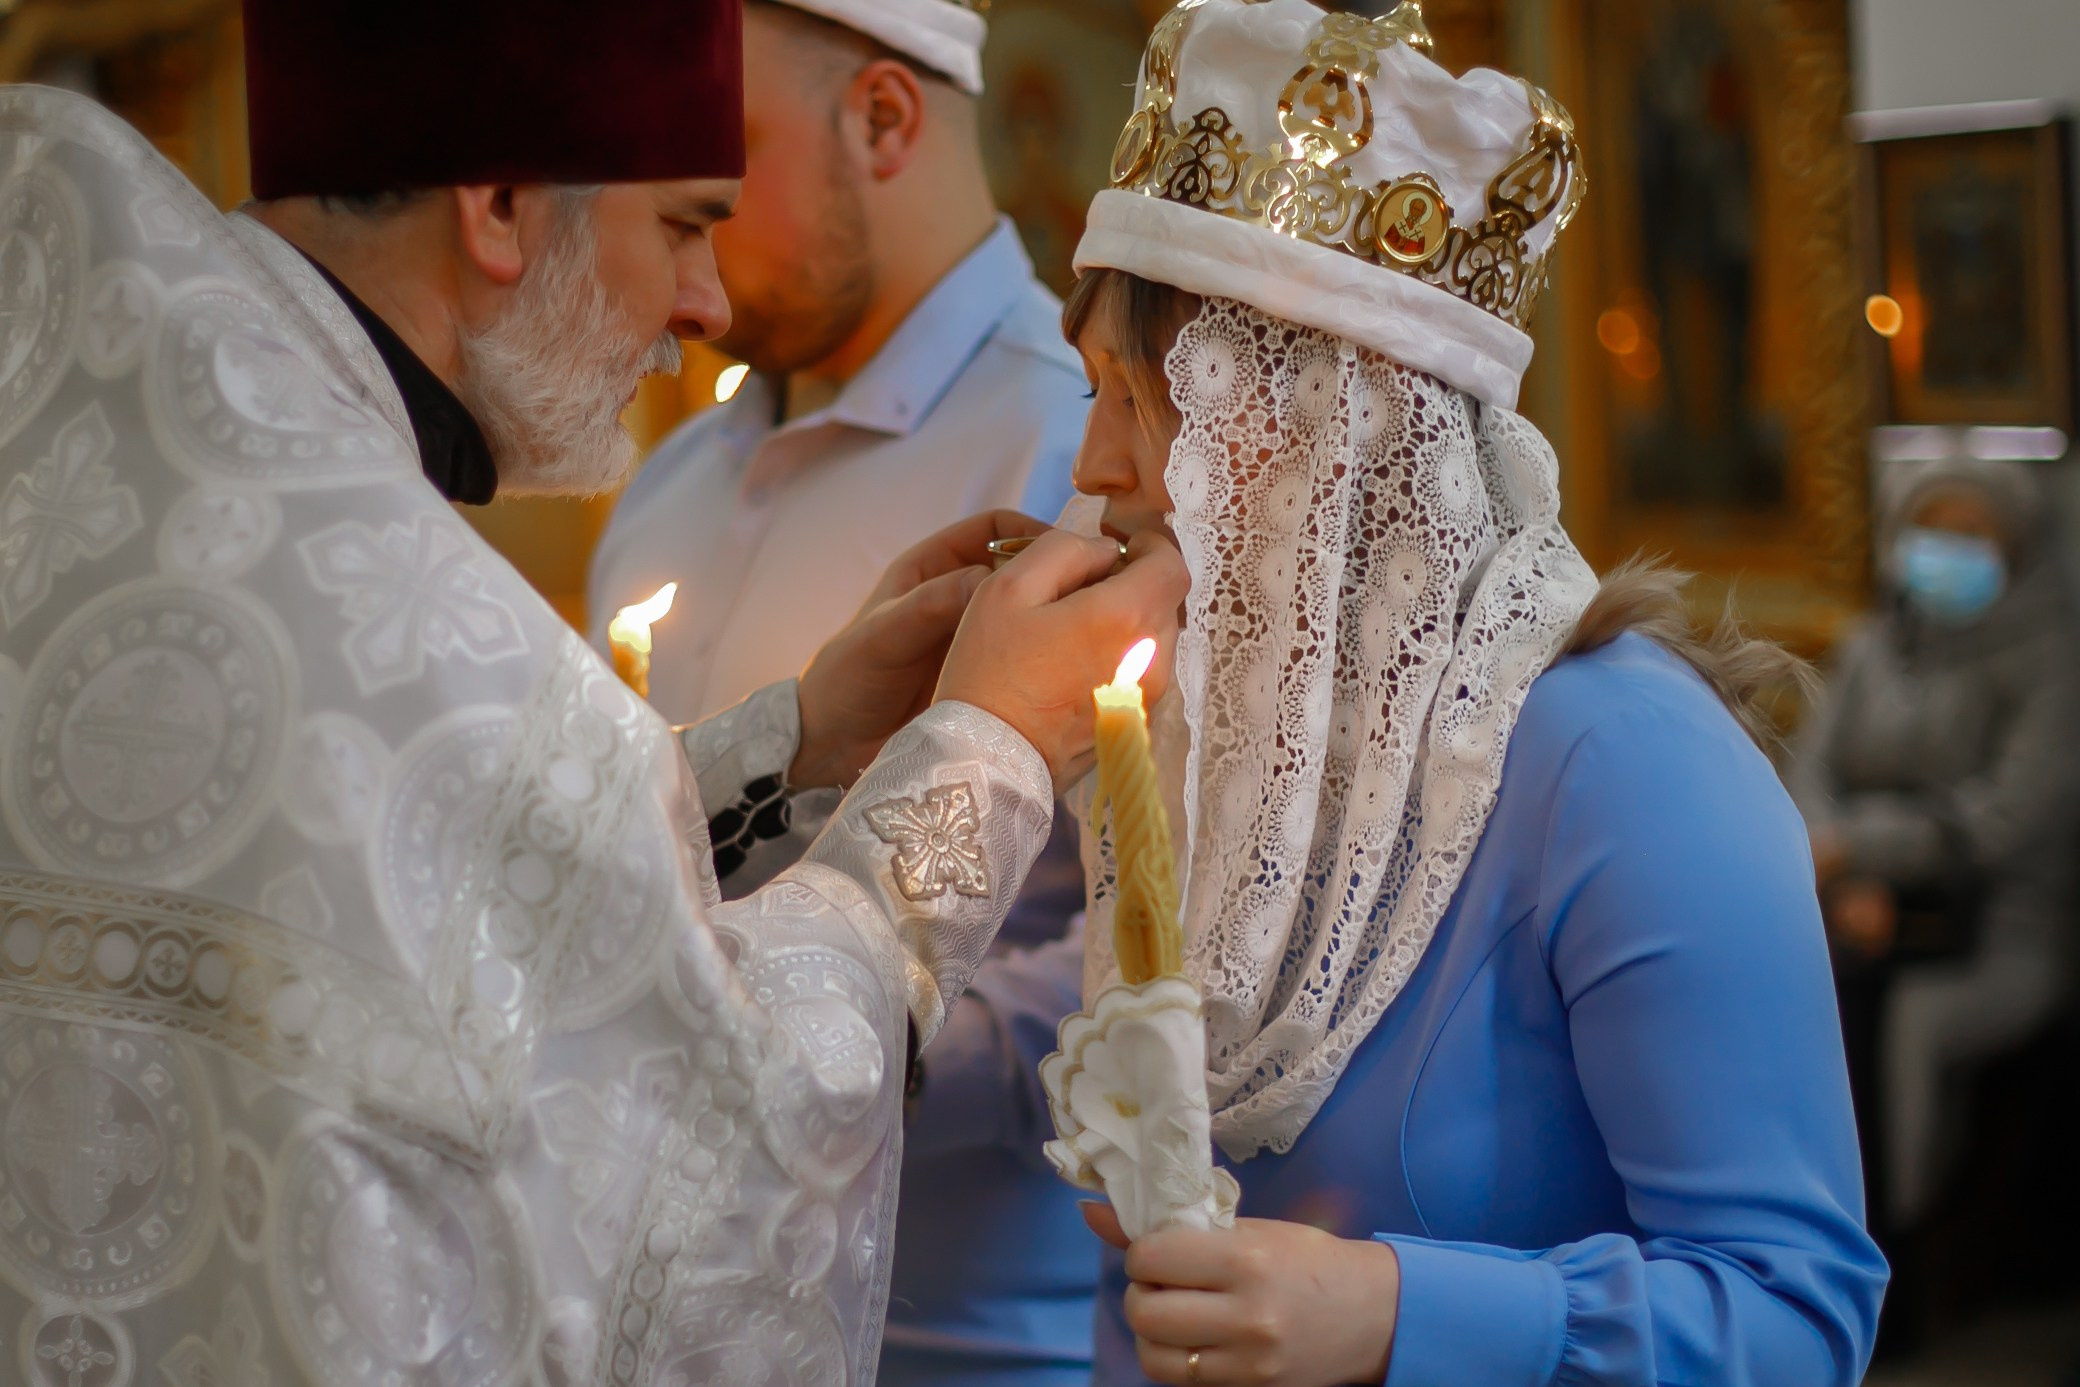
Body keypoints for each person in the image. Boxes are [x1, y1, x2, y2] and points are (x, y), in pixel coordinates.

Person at [0, 3, 1188, 1385]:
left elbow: (453, 839)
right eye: (686, 223)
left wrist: (791, 741)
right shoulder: (436, 624)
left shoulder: (118, 473)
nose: (708, 306)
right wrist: (980, 745)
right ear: (499, 204)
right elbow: (711, 1158)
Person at [991, 1, 1887, 1382]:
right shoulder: (1211, 741)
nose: (1094, 464)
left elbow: (1798, 1309)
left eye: (1137, 394)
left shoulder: (1619, 758)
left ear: (1308, 429)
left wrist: (1397, 1309)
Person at [584, 0, 1098, 1379]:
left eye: (717, 150)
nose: (673, 210)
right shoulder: (664, 484)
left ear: (882, 117)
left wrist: (813, 1038)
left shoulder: (1079, 447)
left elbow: (1178, 933)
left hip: (965, 1332)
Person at [1789, 451, 2080, 1299]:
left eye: (1970, 535)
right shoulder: (1875, 644)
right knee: (1798, 997)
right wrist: (1842, 880)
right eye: (1931, 530)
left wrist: (1859, 849)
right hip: (1856, 909)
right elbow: (1805, 769)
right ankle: (1803, 1236)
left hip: (2000, 925)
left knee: (1913, 1027)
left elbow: (2002, 819)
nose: (1945, 551)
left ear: (2016, 545)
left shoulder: (2052, 661)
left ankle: (1902, 1260)